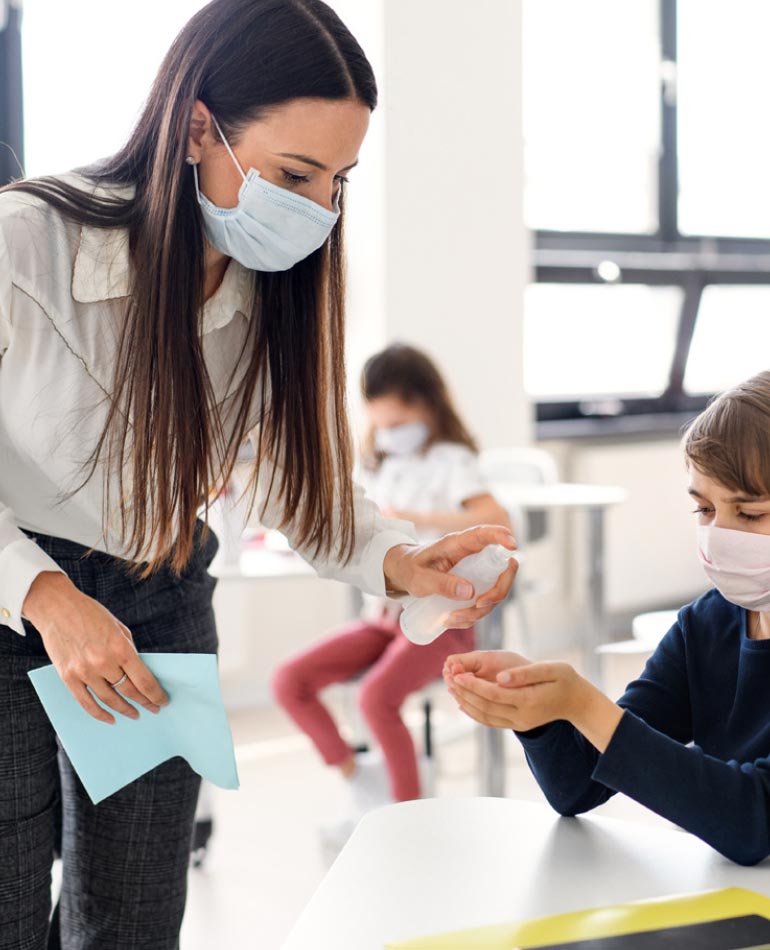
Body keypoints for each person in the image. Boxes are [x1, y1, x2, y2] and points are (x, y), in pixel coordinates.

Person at [0, 2, 516, 946]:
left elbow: (290, 481)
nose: (319, 210)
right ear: (198, 127)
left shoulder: (260, 283)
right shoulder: (23, 240)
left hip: (157, 593)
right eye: (294, 174)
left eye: (338, 181)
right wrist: (43, 593)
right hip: (10, 601)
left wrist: (402, 562)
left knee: (137, 914)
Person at [444, 369, 770, 867]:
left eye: (748, 515)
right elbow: (576, 786)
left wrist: (587, 706)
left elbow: (753, 823)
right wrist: (544, 711)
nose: (720, 535)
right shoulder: (706, 626)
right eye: (704, 510)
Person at [272, 345, 511, 825]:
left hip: (439, 624)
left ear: (427, 406)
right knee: (289, 681)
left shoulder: (451, 459)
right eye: (383, 425)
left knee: (374, 698)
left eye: (399, 424)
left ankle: (408, 822)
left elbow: (497, 519)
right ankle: (359, 781)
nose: (391, 435)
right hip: (382, 618)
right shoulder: (376, 462)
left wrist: (415, 520)